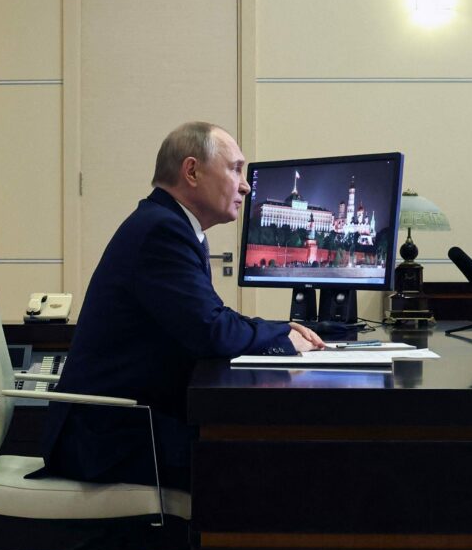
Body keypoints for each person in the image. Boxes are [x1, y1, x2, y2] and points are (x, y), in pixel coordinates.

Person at [38, 122, 324, 491]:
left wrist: (278, 330)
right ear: (192, 171)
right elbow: (211, 331)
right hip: (107, 438)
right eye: (235, 169)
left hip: (124, 423)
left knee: (260, 450)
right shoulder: (162, 231)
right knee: (262, 459)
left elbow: (210, 318)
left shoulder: (168, 224)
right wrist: (283, 336)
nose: (246, 186)